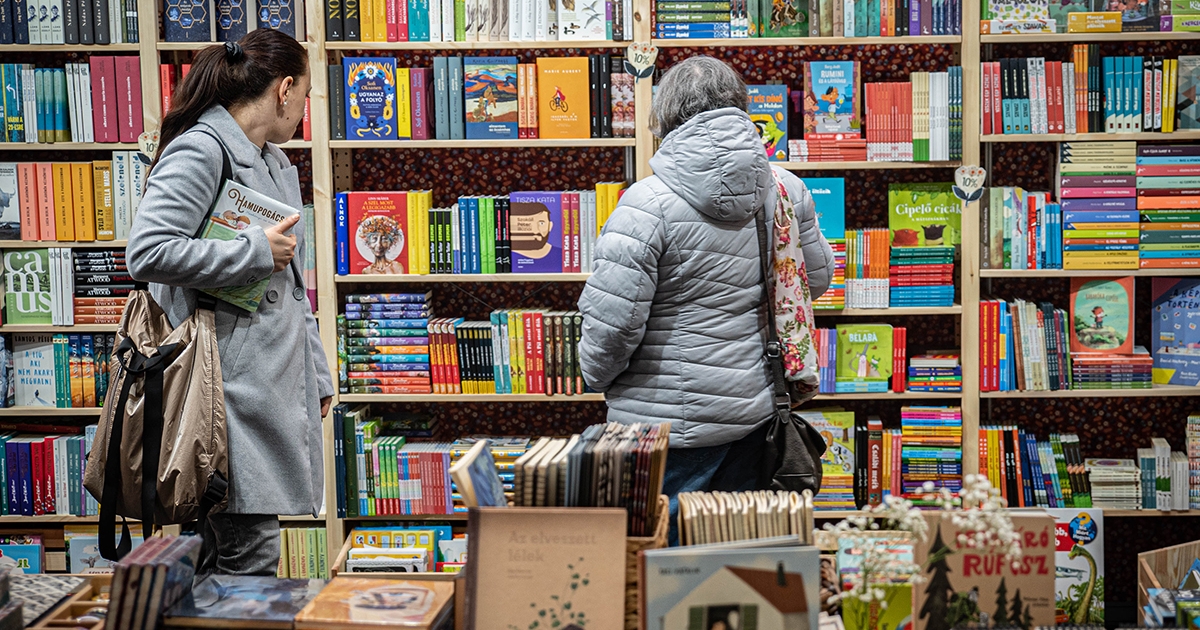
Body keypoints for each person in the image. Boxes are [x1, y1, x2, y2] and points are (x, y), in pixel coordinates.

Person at [577, 56, 834, 545]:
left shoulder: (644, 203)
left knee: (664, 572)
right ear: (739, 105)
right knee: (737, 570)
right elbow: (811, 282)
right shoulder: (784, 190)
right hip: (756, 420)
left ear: (667, 117)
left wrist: (595, 376)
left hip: (664, 433)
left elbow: (613, 327)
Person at [127, 29, 333, 575]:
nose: (303, 113)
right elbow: (147, 251)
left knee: (229, 562)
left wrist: (317, 376)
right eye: (305, 97)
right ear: (284, 89)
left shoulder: (275, 162)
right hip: (225, 394)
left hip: (269, 386)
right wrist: (252, 252)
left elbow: (293, 292)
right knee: (249, 561)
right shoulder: (202, 148)